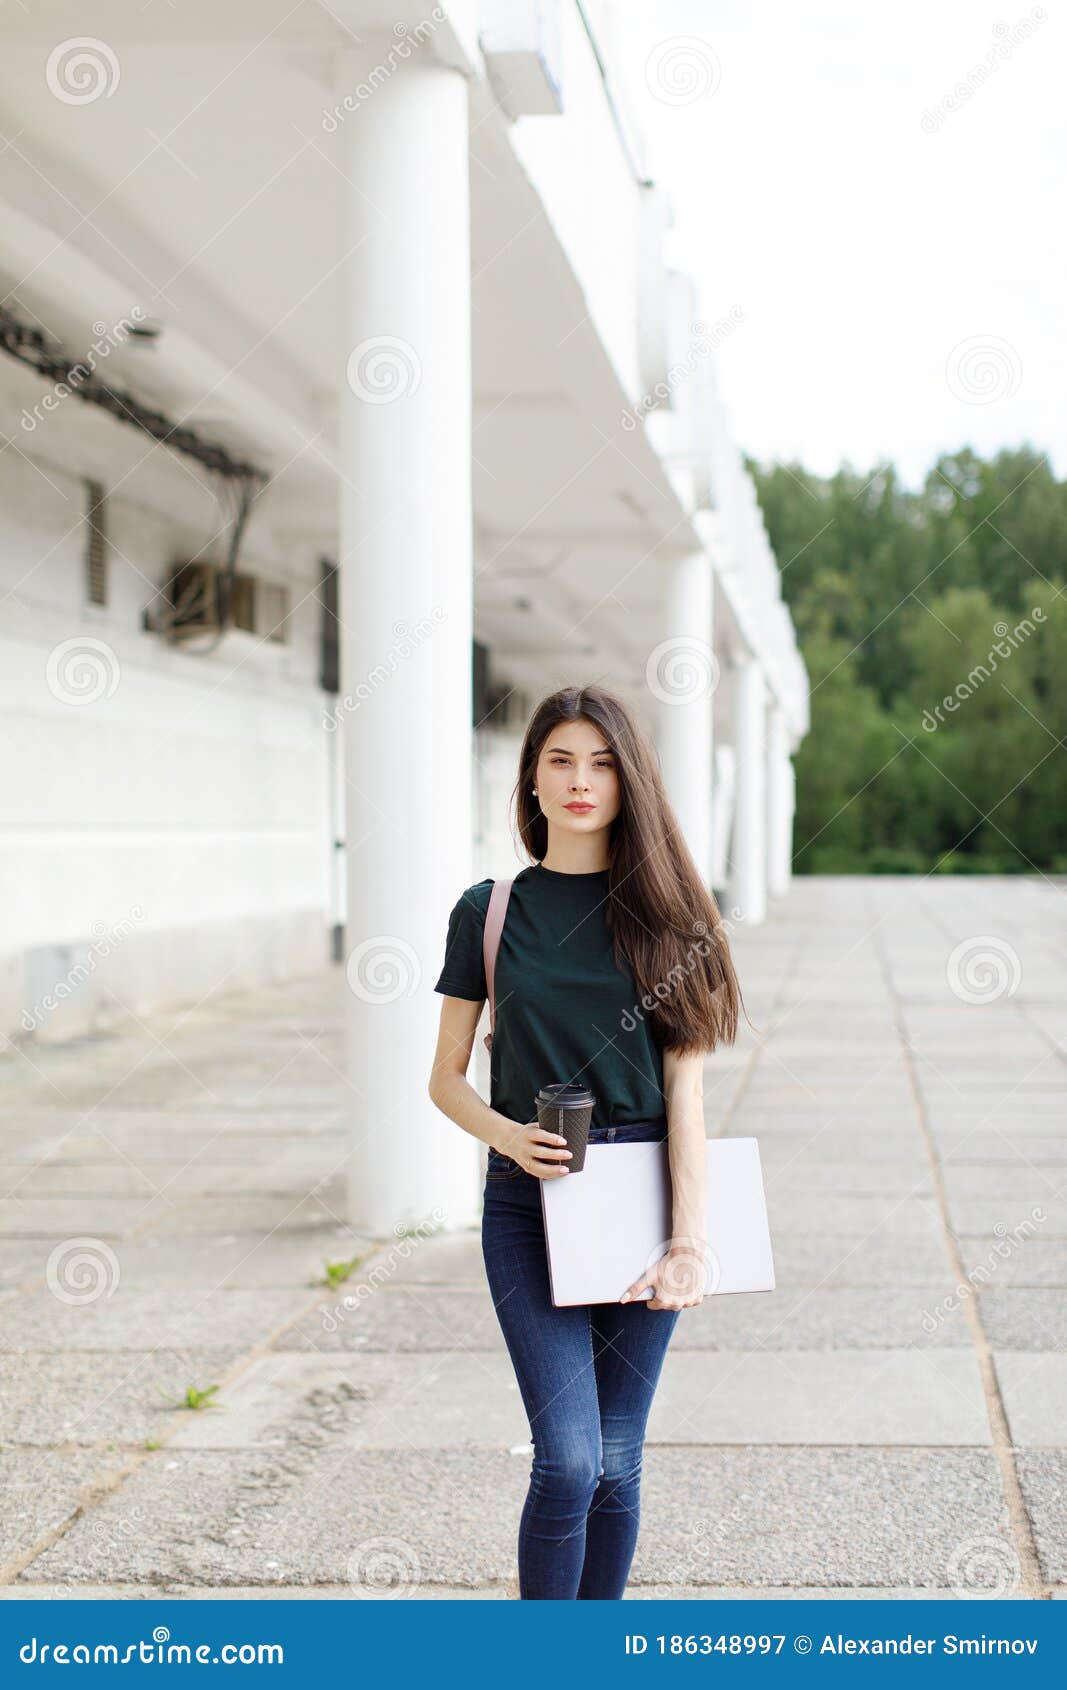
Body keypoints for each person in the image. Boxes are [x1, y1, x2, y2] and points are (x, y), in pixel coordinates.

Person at [428, 683, 747, 1600]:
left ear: (628, 781)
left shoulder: (671, 919)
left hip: (637, 1198)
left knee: (614, 1459)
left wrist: (689, 1242)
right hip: (526, 1202)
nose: (580, 781)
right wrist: (507, 1137)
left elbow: (685, 1097)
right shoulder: (487, 912)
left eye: (602, 763)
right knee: (567, 1461)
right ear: (529, 779)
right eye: (560, 760)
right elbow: (444, 1078)